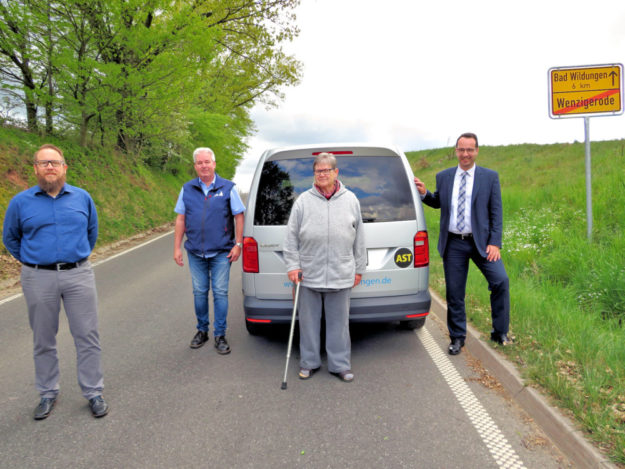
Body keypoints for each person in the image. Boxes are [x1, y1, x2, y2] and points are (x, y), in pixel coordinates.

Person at [3, 144, 108, 420]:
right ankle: (47, 393)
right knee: (43, 339)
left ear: (64, 167)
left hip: (78, 274)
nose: (50, 166)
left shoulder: (82, 198)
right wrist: (32, 259)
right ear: (35, 168)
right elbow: (11, 238)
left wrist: (75, 257)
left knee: (87, 335)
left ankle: (93, 392)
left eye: (55, 162)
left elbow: (91, 232)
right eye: (44, 162)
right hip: (38, 277)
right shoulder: (20, 203)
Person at [414, 132, 512, 356]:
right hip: (454, 244)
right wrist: (425, 194)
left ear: (476, 151)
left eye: (470, 149)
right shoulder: (445, 176)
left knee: (500, 281)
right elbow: (439, 201)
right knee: (455, 293)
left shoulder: (489, 177)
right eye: (461, 149)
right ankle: (457, 338)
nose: (465, 154)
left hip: (482, 243)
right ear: (456, 151)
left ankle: (500, 332)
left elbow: (496, 212)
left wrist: (495, 242)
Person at [283, 152, 366, 382]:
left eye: (326, 170)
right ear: (314, 173)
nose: (322, 174)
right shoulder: (303, 201)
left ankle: (340, 365)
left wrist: (359, 268)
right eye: (318, 171)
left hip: (341, 272)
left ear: (335, 172)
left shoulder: (351, 199)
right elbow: (291, 237)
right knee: (308, 323)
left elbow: (359, 237)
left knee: (339, 325)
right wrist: (293, 266)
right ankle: (309, 363)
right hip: (309, 274)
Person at [173, 147, 245, 353]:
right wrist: (177, 247)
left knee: (220, 293)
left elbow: (239, 216)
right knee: (199, 292)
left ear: (214, 164)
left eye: (207, 162)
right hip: (195, 251)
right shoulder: (187, 189)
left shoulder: (228, 187)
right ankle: (202, 330)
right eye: (199, 163)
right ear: (195, 166)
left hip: (222, 251)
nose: (204, 166)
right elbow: (180, 218)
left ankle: (220, 334)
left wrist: (238, 244)